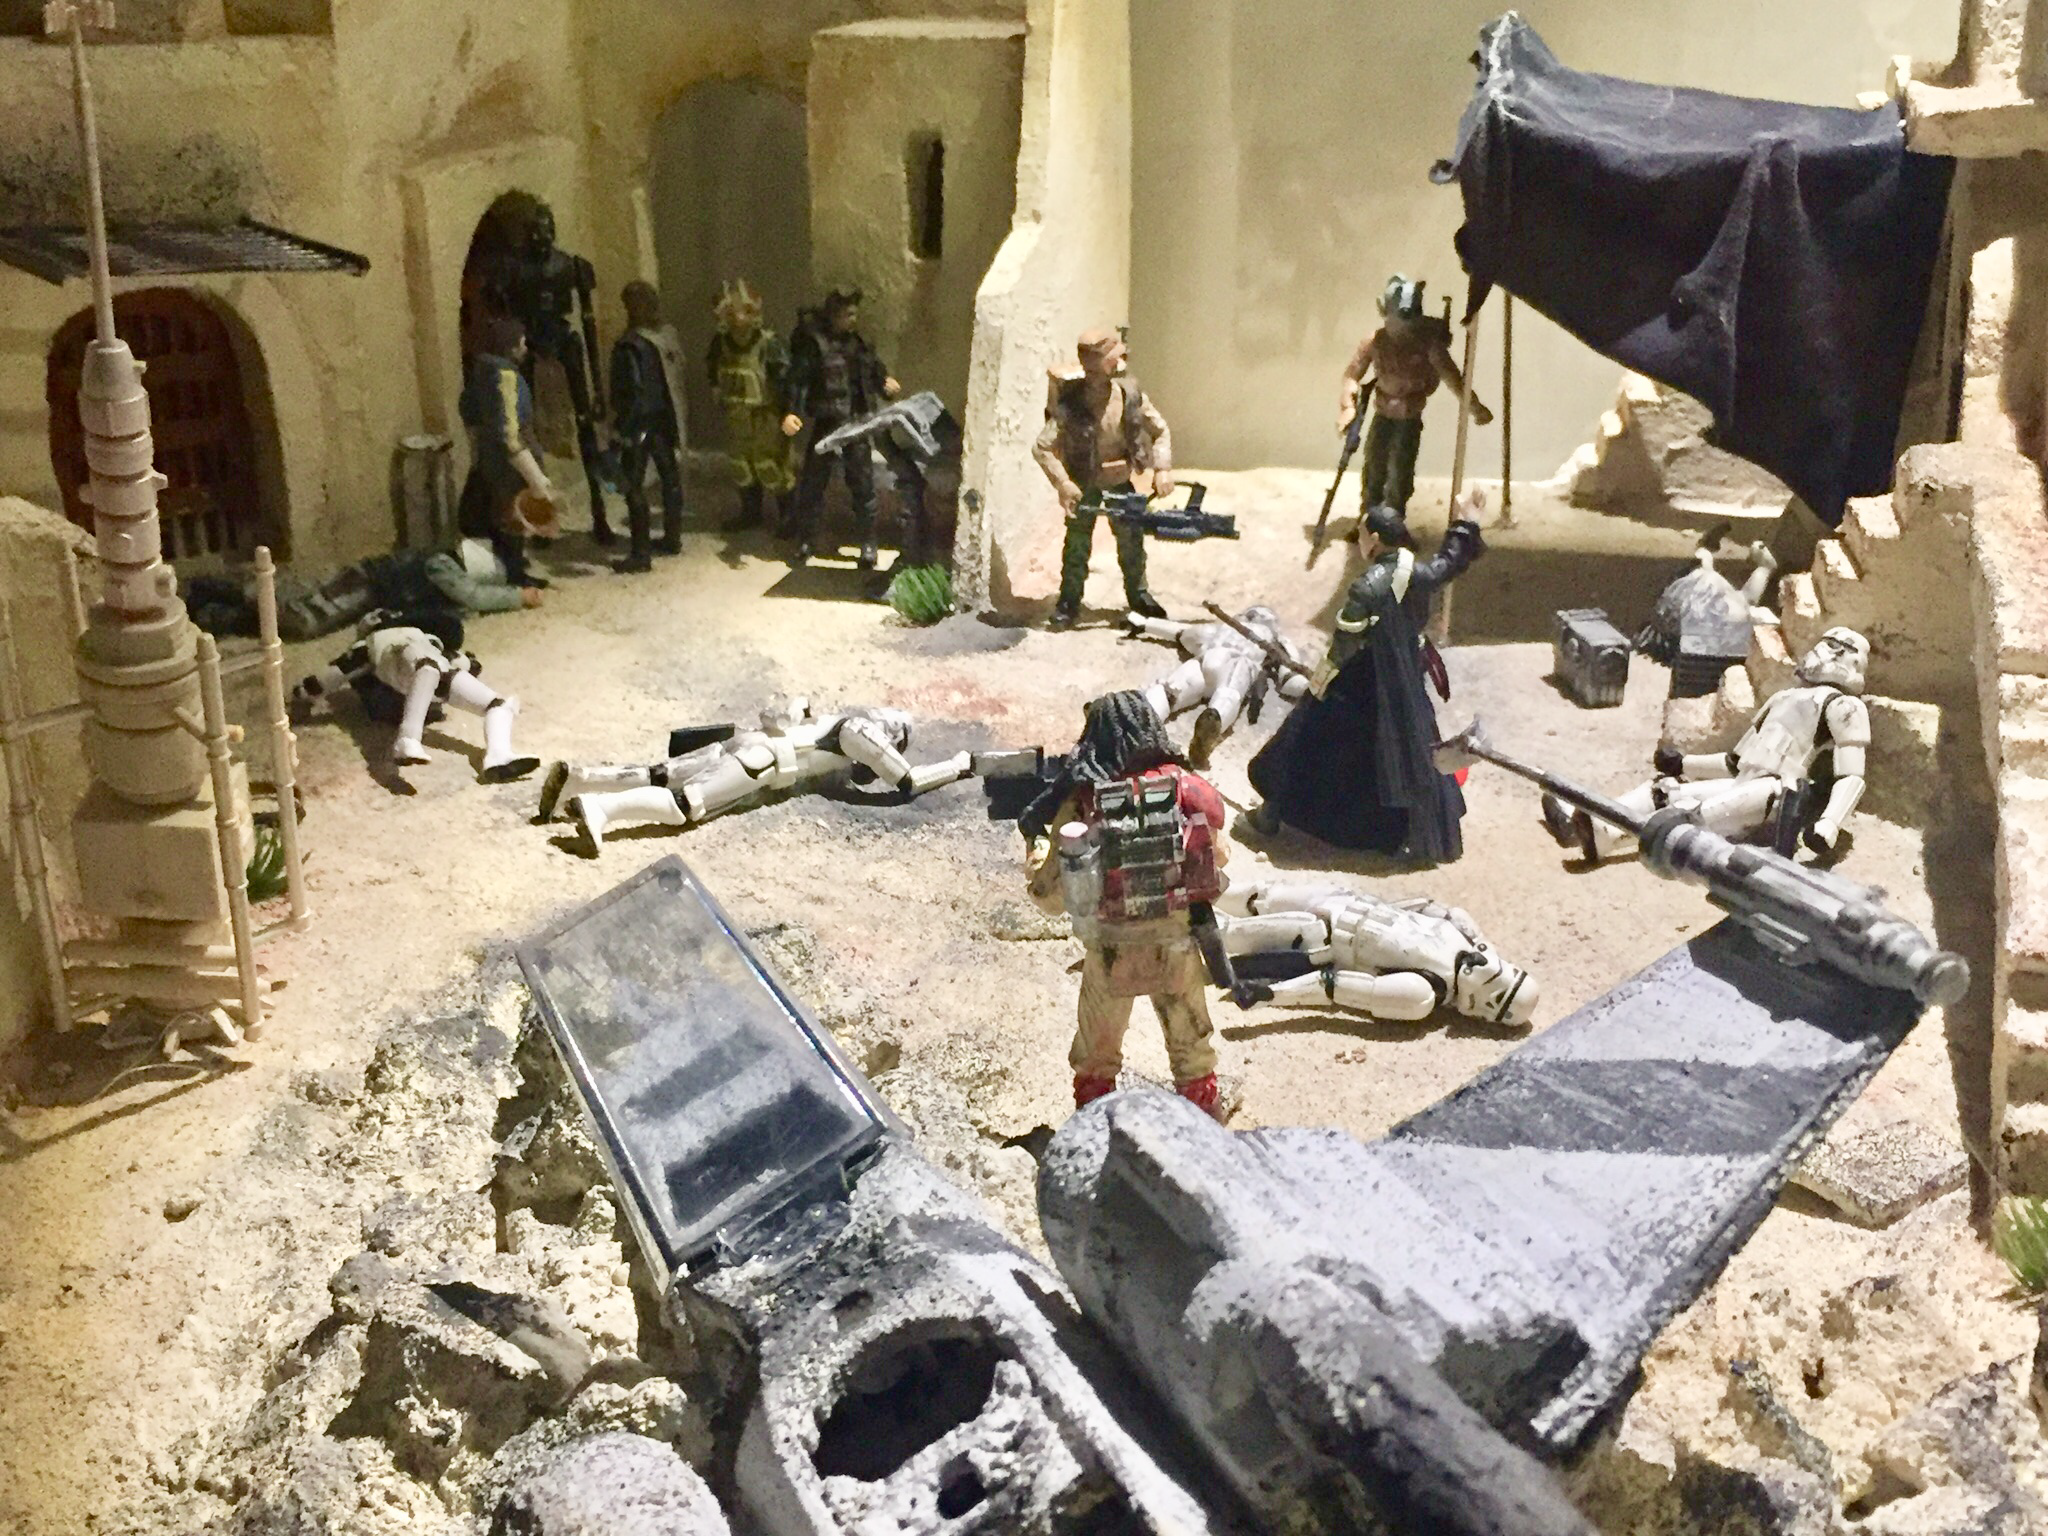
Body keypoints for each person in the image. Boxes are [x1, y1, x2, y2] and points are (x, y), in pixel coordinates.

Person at [1021, 692, 1229, 1120]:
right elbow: (1219, 852)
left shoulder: (1083, 802)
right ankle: (1207, 1127)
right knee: (1191, 1053)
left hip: (1109, 951)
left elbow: (1050, 897)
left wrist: (1035, 857)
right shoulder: (1186, 787)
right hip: (1176, 944)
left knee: (1096, 1057)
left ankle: (1094, 1129)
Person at [1246, 496, 1487, 862]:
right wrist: (1465, 524)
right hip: (1404, 680)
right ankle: (1407, 831)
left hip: (1361, 680)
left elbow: (1344, 644)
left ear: (1373, 539)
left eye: (1361, 534)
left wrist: (1320, 682)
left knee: (1302, 739)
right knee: (1407, 751)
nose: (1359, 541)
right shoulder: (1418, 572)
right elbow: (1449, 562)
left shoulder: (1368, 586)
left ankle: (1272, 812)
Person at [1543, 627, 1873, 863]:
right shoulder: (1783, 698)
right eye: (1827, 643)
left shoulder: (1844, 707)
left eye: (1837, 648)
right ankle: (1593, 826)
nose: (1824, 651)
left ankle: (1608, 834)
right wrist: (1683, 764)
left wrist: (1828, 824)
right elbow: (1735, 762)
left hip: (1780, 794)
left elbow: (1851, 777)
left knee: (1693, 814)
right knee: (1663, 790)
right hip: (1746, 782)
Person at [538, 698, 973, 855]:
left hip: (750, 743)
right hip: (764, 762)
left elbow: (791, 707)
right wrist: (959, 765)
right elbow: (908, 782)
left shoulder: (832, 722)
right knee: (684, 806)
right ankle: (600, 809)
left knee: (662, 774)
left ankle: (579, 779)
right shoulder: (859, 732)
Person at [1216, 878, 1537, 1026]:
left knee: (1227, 935)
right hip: (1346, 903)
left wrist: (1272, 994)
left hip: (1323, 938)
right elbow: (1428, 906)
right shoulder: (1463, 936)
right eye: (1507, 970)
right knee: (1255, 896)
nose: (1490, 968)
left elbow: (1334, 986)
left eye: (1498, 990)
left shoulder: (1421, 993)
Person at [1032, 329, 1173, 630]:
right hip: (1084, 484)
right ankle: (1069, 601)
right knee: (1077, 545)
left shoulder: (1130, 396)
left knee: (1131, 541)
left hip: (1120, 481)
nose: (1118, 363)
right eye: (1097, 366)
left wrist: (1162, 468)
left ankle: (1139, 596)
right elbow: (1042, 447)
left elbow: (1160, 430)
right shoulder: (1071, 404)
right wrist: (1063, 483)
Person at [291, 613, 538, 783]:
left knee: (497, 704)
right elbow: (334, 674)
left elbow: (454, 658)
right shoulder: (369, 645)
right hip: (401, 665)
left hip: (439, 671)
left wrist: (468, 663)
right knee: (427, 666)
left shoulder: (422, 636)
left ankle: (498, 756)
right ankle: (407, 739)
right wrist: (302, 695)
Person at [1337, 276, 1491, 519]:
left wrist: (1475, 407)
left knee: (1400, 469)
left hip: (1408, 417)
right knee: (1374, 465)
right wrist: (1348, 406)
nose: (1402, 327)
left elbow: (1455, 382)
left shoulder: (1428, 346)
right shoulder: (1374, 342)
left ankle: (1393, 519)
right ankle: (1369, 516)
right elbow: (1351, 376)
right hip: (1382, 412)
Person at [782, 289, 899, 569]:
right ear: (833, 316)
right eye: (847, 315)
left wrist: (885, 383)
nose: (852, 320)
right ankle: (806, 539)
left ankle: (868, 542)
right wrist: (791, 411)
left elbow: (874, 371)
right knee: (813, 483)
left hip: (856, 422)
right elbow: (799, 381)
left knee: (862, 484)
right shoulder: (816, 346)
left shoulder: (859, 344)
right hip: (827, 422)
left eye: (854, 314)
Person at [1126, 604, 1309, 767]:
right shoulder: (1272, 640)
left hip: (1209, 656)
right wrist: (1311, 688)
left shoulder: (1223, 628)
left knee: (1170, 690)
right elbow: (1290, 678)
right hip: (1237, 662)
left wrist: (1145, 623)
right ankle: (1213, 720)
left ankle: (1141, 720)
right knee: (1228, 695)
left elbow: (1185, 633)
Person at [458, 314, 563, 590]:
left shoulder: (481, 374)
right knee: (511, 519)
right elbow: (510, 433)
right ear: (510, 345)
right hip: (508, 465)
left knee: (499, 518)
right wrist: (535, 477)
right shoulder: (504, 377)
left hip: (490, 459)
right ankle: (513, 576)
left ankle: (506, 571)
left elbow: (469, 414)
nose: (524, 348)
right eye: (521, 343)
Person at [608, 280, 688, 572]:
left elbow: (632, 389)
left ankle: (641, 554)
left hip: (639, 421)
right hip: (664, 418)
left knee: (633, 484)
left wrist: (622, 428)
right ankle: (672, 537)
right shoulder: (666, 337)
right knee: (670, 478)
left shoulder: (630, 345)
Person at [707, 279, 795, 535]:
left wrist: (789, 412)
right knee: (741, 466)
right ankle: (750, 512)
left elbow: (786, 381)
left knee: (771, 466)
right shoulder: (720, 343)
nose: (738, 319)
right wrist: (717, 391)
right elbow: (713, 370)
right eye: (731, 312)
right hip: (737, 415)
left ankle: (789, 515)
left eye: (744, 311)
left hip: (765, 416)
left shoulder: (769, 343)